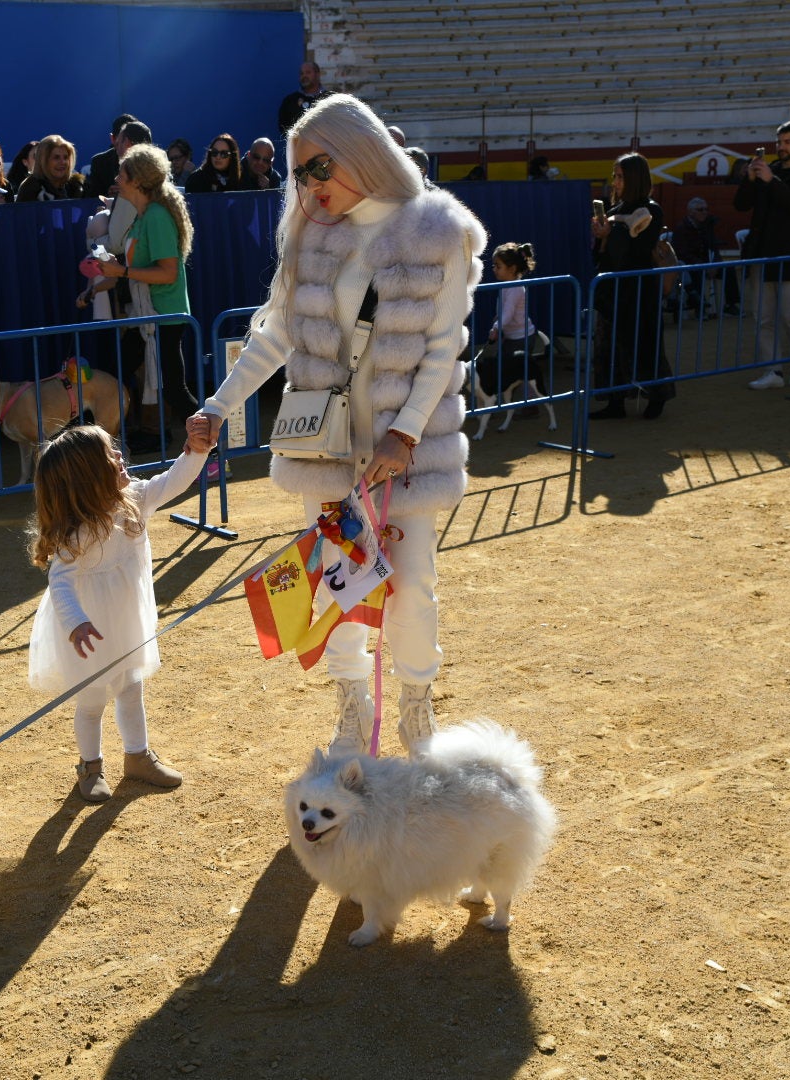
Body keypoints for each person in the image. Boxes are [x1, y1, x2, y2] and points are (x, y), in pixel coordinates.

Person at [191, 93, 485, 756]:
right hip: (326, 449)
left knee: (412, 587)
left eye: (319, 167)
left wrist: (405, 431)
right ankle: (353, 709)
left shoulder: (438, 229)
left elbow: (443, 347)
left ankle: (415, 710)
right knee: (337, 585)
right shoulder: (308, 236)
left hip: (401, 457)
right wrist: (217, 406)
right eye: (298, 174)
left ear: (360, 152)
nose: (309, 186)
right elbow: (272, 337)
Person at [26, 424, 208, 802]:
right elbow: (59, 582)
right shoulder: (74, 532)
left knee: (130, 688)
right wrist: (75, 622)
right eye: (110, 455)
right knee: (91, 700)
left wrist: (196, 450)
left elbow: (173, 481)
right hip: (88, 633)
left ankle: (138, 756)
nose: (121, 456)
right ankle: (90, 767)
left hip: (127, 620)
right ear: (88, 477)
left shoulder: (135, 499)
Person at [94, 144, 197, 453]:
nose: (116, 177)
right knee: (114, 372)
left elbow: (168, 273)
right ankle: (109, 444)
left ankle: (216, 452)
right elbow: (132, 270)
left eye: (122, 173)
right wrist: (93, 289)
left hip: (164, 317)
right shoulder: (143, 216)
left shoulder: (155, 217)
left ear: (137, 180)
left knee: (175, 390)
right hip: (149, 317)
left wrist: (121, 272)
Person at [734, 120, 790, 390]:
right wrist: (750, 179)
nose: (781, 147)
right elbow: (741, 204)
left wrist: (772, 182)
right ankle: (772, 370)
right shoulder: (767, 171)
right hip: (763, 254)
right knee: (763, 318)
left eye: (788, 142)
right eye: (779, 142)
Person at [590, 152, 676, 419]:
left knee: (644, 344)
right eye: (614, 176)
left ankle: (657, 398)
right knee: (609, 347)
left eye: (620, 177)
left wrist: (611, 233)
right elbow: (601, 255)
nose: (615, 182)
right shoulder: (615, 210)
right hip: (611, 290)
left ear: (635, 178)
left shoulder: (651, 210)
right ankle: (615, 402)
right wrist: (601, 238)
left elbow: (639, 250)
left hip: (639, 291)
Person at [474, 241, 548, 399]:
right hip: (512, 336)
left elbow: (507, 313)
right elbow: (504, 311)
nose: (494, 269)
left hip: (522, 338)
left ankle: (529, 405)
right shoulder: (507, 285)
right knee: (506, 367)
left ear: (512, 268)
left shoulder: (515, 288)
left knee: (520, 371)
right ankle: (502, 400)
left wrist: (496, 327)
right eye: (494, 265)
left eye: (498, 266)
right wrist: (498, 323)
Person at [669, 197, 742, 316]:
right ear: (691, 212)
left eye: (706, 209)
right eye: (700, 210)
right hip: (690, 264)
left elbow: (714, 247)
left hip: (707, 263)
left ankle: (730, 304)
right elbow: (683, 253)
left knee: (728, 269)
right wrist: (703, 265)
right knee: (696, 272)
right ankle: (699, 306)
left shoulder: (707, 227)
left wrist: (716, 264)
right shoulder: (681, 228)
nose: (704, 212)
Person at [14, 134, 84, 202]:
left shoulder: (77, 185)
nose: (62, 162)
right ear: (43, 161)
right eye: (56, 157)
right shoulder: (30, 188)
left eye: (66, 157)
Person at [85, 113, 136, 200]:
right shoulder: (99, 163)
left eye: (131, 141)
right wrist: (108, 197)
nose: (128, 145)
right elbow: (91, 200)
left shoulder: (146, 163)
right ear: (113, 139)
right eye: (122, 140)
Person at [278, 60, 330, 135]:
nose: (304, 76)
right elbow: (283, 128)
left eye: (308, 72)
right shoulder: (290, 101)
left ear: (317, 74)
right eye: (301, 73)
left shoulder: (329, 99)